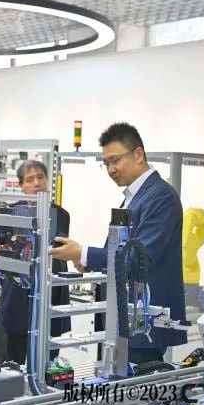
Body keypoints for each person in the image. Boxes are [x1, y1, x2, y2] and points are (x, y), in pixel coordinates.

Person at [50, 122, 187, 364]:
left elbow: (139, 259)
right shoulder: (136, 197)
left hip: (142, 325)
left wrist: (83, 253)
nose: (111, 169)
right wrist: (88, 261)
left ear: (138, 154)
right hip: (123, 322)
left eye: (115, 160)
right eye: (106, 163)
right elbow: (121, 250)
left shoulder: (161, 197)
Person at [0, 160, 71, 364]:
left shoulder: (61, 215)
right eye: (30, 179)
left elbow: (59, 251)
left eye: (41, 177)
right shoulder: (9, 214)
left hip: (50, 294)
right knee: (13, 362)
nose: (37, 183)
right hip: (17, 297)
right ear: (21, 185)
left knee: (48, 361)